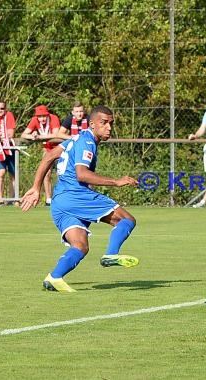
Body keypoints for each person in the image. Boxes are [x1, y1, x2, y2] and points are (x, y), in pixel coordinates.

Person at [20, 105, 139, 292]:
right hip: (75, 195)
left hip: (59, 201)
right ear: (92, 124)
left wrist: (36, 188)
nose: (109, 127)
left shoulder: (75, 138)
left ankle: (54, 277)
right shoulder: (88, 141)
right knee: (126, 220)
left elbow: (49, 156)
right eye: (104, 123)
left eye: (111, 123)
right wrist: (116, 182)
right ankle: (111, 254)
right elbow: (82, 175)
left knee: (80, 245)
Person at [21, 105, 61, 206]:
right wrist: (33, 136)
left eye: (44, 116)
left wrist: (40, 137)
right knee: (46, 173)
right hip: (47, 150)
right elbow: (23, 134)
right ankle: (49, 199)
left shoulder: (54, 118)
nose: (42, 118)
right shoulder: (34, 120)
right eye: (40, 116)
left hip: (59, 149)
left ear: (48, 115)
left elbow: (56, 134)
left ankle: (60, 197)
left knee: (60, 175)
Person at [0, 100, 17, 204]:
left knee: (13, 174)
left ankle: (12, 199)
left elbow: (11, 133)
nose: (0, 110)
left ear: (5, 109)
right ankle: (0, 199)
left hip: (10, 149)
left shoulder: (9, 115)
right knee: (1, 173)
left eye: (2, 108)